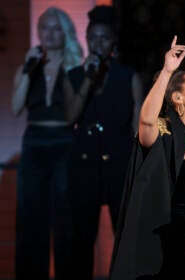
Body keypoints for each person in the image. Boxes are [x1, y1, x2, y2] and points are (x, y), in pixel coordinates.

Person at [108, 36, 185, 280]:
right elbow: (145, 120)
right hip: (169, 233)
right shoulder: (163, 132)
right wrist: (167, 71)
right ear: (177, 98)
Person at [64, 5, 144, 280]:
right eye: (94, 38)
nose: (99, 43)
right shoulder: (74, 76)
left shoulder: (128, 77)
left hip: (119, 162)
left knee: (124, 238)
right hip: (83, 163)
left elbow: (138, 127)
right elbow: (69, 116)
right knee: (81, 239)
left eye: (105, 38)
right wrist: (88, 78)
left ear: (113, 42)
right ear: (86, 40)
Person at [11, 6, 83, 280]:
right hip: (34, 144)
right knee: (31, 218)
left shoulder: (74, 67)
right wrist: (29, 71)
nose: (50, 33)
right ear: (39, 32)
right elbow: (16, 107)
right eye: (45, 28)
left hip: (65, 142)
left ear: (65, 33)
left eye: (56, 28)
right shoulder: (27, 67)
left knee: (65, 218)